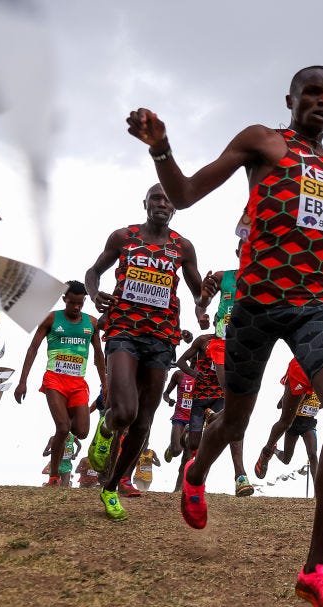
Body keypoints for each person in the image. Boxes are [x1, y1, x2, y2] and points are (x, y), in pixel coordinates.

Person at [126, 64, 323, 607]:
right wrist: (161, 149)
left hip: (315, 305)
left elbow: (322, 239)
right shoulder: (262, 140)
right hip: (255, 306)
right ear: (292, 98)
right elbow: (184, 194)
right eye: (313, 92)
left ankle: (317, 570)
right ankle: (196, 472)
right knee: (233, 422)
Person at [84, 183, 206, 521]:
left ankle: (110, 486)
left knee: (143, 422)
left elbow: (198, 291)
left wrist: (202, 307)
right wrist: (95, 294)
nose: (163, 204)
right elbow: (93, 271)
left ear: (174, 208)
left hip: (162, 336)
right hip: (123, 329)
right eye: (157, 198)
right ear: (146, 203)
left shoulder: (183, 247)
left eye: (168, 200)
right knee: (124, 411)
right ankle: (107, 429)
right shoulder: (124, 237)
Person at [14, 281, 105, 486]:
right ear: (64, 299)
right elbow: (33, 349)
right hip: (54, 379)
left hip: (78, 383)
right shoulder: (52, 318)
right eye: (72, 302)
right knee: (63, 428)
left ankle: (64, 433)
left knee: (81, 431)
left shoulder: (91, 323)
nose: (76, 307)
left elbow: (99, 355)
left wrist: (105, 385)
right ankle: (54, 476)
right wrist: (22, 381)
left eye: (80, 303)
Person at [174, 331, 252, 496]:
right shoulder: (204, 341)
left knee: (232, 428)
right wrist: (194, 373)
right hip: (200, 398)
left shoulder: (235, 340)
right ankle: (188, 433)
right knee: (195, 444)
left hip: (220, 397)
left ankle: (240, 476)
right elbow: (180, 361)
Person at [256, 359, 321, 481]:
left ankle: (317, 491)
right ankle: (274, 450)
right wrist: (290, 399)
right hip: (293, 423)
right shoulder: (303, 383)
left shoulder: (322, 388)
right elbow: (279, 405)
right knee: (286, 459)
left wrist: (317, 405)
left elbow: (322, 405)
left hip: (308, 424)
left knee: (313, 455)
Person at [161, 367, 194, 467]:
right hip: (180, 416)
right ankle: (172, 447)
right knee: (176, 451)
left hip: (195, 419)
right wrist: (169, 400)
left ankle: (184, 479)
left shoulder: (204, 376)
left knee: (188, 455)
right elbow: (165, 394)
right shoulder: (179, 374)